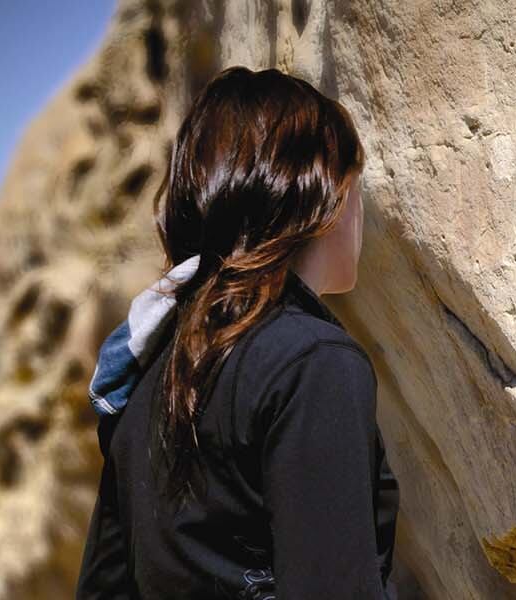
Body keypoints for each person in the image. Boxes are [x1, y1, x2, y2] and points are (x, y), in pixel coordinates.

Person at [75, 65, 397, 599]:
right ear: (323, 196)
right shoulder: (312, 364)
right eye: (355, 186)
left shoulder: (146, 374)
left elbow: (103, 587)